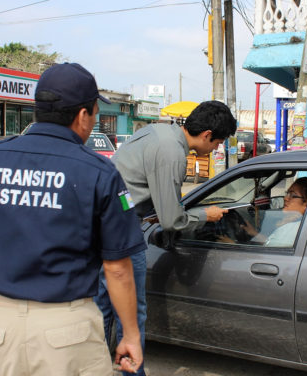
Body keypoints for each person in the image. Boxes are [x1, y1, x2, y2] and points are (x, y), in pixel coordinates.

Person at [0, 63, 144, 376]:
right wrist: (130, 335)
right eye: (94, 113)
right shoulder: (99, 173)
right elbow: (117, 269)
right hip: (68, 333)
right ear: (82, 116)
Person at [95, 100, 237, 376]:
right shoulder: (173, 153)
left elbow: (136, 183)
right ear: (207, 135)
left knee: (103, 305)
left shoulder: (157, 130)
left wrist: (157, 209)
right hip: (123, 229)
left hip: (104, 223)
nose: (217, 149)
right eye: (218, 143)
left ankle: (91, 368)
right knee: (132, 311)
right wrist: (204, 215)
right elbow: (172, 220)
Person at [220, 177, 307, 247]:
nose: (286, 198)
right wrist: (254, 233)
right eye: (287, 193)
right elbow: (271, 243)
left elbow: (267, 254)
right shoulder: (299, 223)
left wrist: (232, 245)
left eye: (293, 195)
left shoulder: (294, 229)